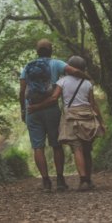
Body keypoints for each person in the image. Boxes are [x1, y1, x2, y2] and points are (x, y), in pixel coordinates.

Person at [19, 39, 90, 192]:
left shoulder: (27, 67)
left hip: (31, 109)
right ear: (50, 50)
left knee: (38, 147)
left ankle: (45, 182)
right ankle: (60, 180)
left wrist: (23, 110)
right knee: (56, 145)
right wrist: (87, 78)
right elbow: (74, 72)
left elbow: (22, 90)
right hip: (51, 109)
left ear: (36, 51)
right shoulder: (57, 63)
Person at [28, 56, 105, 191]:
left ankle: (83, 181)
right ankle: (88, 179)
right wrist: (101, 121)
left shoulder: (62, 81)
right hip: (87, 115)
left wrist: (36, 107)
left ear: (70, 68)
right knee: (87, 149)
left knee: (77, 149)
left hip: (72, 117)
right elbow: (93, 104)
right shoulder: (87, 83)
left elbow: (53, 98)